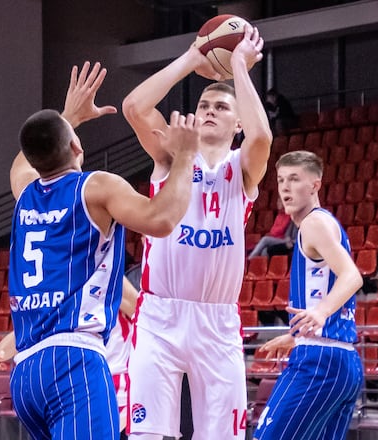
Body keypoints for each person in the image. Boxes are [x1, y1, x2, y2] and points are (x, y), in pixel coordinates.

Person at [4, 61, 200, 440]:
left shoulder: (24, 193)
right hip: (73, 361)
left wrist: (68, 116)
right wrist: (185, 157)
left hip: (26, 371)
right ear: (77, 146)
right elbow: (160, 220)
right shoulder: (95, 187)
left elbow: (23, 162)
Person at [121, 23, 272, 440]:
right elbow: (134, 106)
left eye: (221, 108)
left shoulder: (241, 167)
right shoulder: (173, 155)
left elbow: (262, 136)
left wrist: (239, 67)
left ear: (236, 123)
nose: (208, 110)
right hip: (159, 316)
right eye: (204, 104)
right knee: (146, 434)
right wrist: (193, 56)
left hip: (217, 321)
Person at [251, 150, 364, 440]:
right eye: (280, 180)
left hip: (320, 362)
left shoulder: (314, 224)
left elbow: (352, 276)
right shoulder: (323, 223)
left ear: (315, 185)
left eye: (294, 179)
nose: (285, 187)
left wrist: (320, 312)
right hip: (342, 361)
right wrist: (297, 334)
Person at [0, 276, 139, 437]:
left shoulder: (108, 280)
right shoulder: (60, 292)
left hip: (115, 391)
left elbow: (141, 309)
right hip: (73, 389)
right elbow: (23, 333)